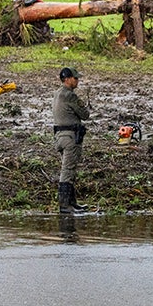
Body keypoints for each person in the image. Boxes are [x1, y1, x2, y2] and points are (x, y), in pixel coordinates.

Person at [53, 67, 92, 214]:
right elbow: (85, 115)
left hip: (60, 137)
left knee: (69, 169)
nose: (77, 81)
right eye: (75, 78)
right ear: (67, 79)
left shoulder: (57, 93)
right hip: (70, 137)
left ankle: (72, 203)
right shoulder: (70, 96)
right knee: (68, 170)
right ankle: (65, 205)